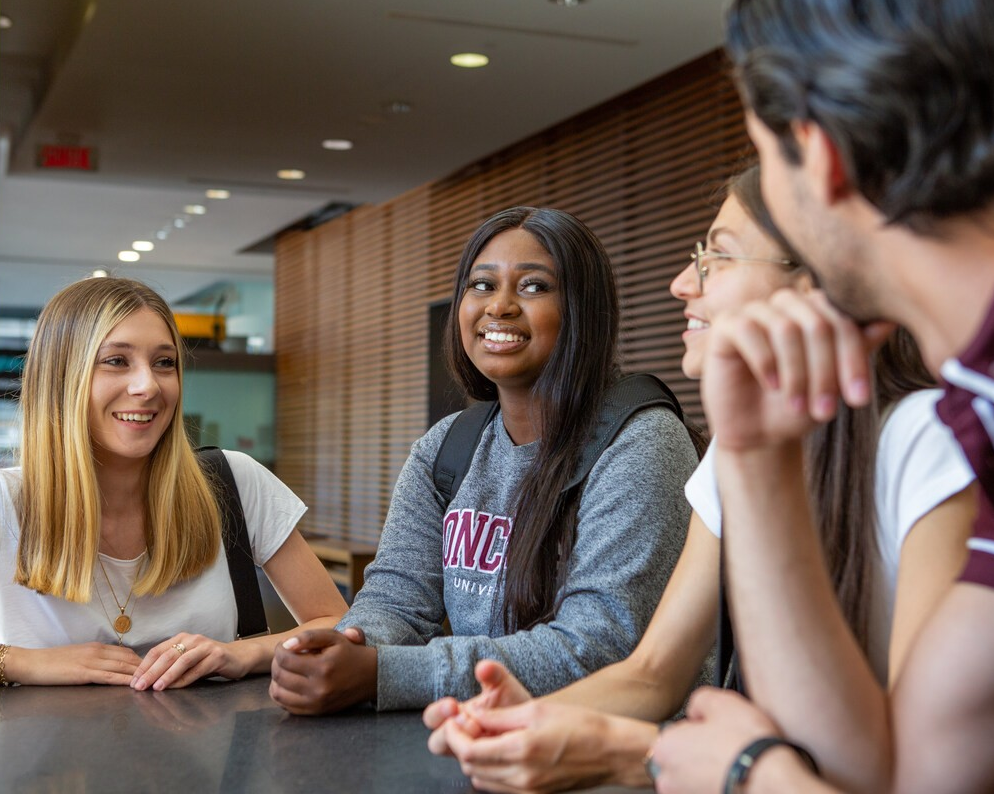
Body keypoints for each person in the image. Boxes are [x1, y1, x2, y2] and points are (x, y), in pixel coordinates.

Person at [420, 166, 976, 794]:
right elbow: (653, 672)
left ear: (823, 277)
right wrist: (526, 722)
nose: (684, 283)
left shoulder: (932, 444)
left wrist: (650, 753)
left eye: (719, 257)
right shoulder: (742, 447)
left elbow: (917, 773)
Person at [647, 2, 994, 793]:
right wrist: (756, 456)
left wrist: (751, 775)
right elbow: (909, 774)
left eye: (763, 156)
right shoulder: (978, 404)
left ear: (819, 153)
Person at [268, 206, 700, 715]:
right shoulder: (447, 447)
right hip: (488, 742)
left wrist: (384, 673)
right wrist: (345, 650)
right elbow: (396, 599)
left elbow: (601, 646)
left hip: (625, 757)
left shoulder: (641, 442)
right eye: (481, 285)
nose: (500, 307)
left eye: (535, 287)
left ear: (585, 311)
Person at [0, 277, 347, 690]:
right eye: (116, 361)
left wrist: (240, 653)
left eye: (164, 363)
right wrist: (23, 663)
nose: (148, 386)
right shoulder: (8, 501)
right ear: (60, 378)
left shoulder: (233, 481)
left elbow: (342, 625)